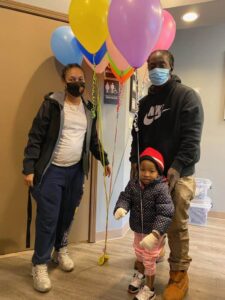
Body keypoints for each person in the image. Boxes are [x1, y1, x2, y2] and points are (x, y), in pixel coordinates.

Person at [23, 63, 111, 293]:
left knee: (67, 214)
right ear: (64, 81)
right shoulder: (52, 104)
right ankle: (39, 263)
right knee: (48, 218)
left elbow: (93, 141)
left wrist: (105, 159)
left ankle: (60, 250)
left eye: (81, 78)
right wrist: (29, 168)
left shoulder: (89, 108)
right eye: (72, 78)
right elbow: (35, 137)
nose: (78, 82)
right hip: (51, 171)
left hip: (75, 172)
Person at [130, 50, 204, 300]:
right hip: (150, 173)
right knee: (144, 214)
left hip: (178, 172)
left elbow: (191, 142)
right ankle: (147, 258)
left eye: (160, 64)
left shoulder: (187, 97)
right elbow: (136, 138)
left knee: (175, 218)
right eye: (151, 65)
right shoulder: (143, 104)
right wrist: (134, 163)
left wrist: (175, 169)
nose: (155, 69)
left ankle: (179, 273)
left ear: (171, 66)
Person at [114, 147, 174, 300]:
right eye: (143, 169)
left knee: (149, 259)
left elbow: (165, 213)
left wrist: (155, 234)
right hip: (138, 230)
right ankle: (140, 275)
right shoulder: (134, 184)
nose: (146, 174)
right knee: (139, 255)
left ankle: (150, 288)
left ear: (158, 172)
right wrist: (121, 207)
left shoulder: (161, 189)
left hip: (153, 234)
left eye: (151, 171)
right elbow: (126, 197)